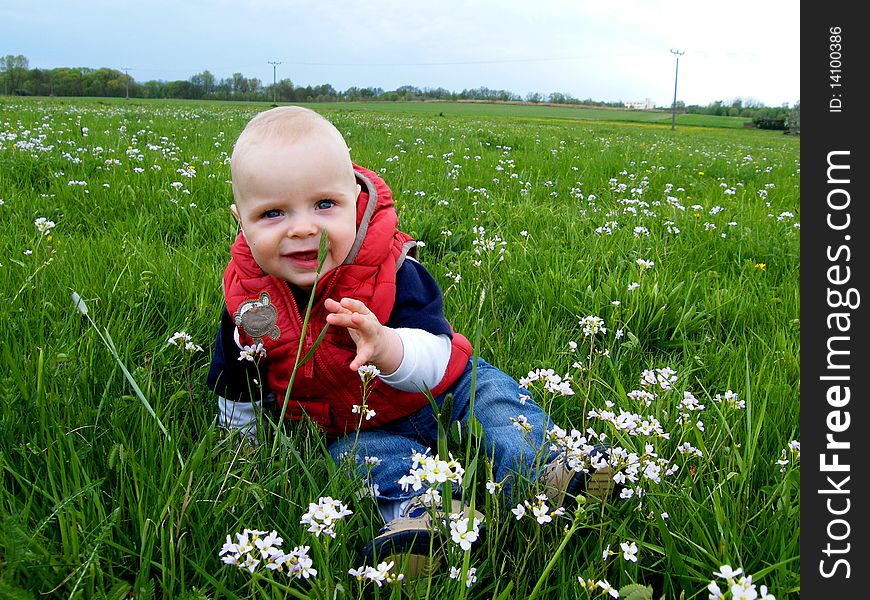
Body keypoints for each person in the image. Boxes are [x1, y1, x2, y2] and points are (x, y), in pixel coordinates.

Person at [206, 106, 616, 573]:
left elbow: (439, 357)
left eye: (324, 205)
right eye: (273, 213)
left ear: (355, 200)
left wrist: (386, 346)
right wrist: (243, 452)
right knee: (361, 459)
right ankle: (427, 519)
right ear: (241, 220)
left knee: (495, 402)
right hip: (360, 426)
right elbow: (237, 383)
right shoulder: (249, 302)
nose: (302, 228)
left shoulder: (393, 269)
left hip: (445, 390)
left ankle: (548, 471)